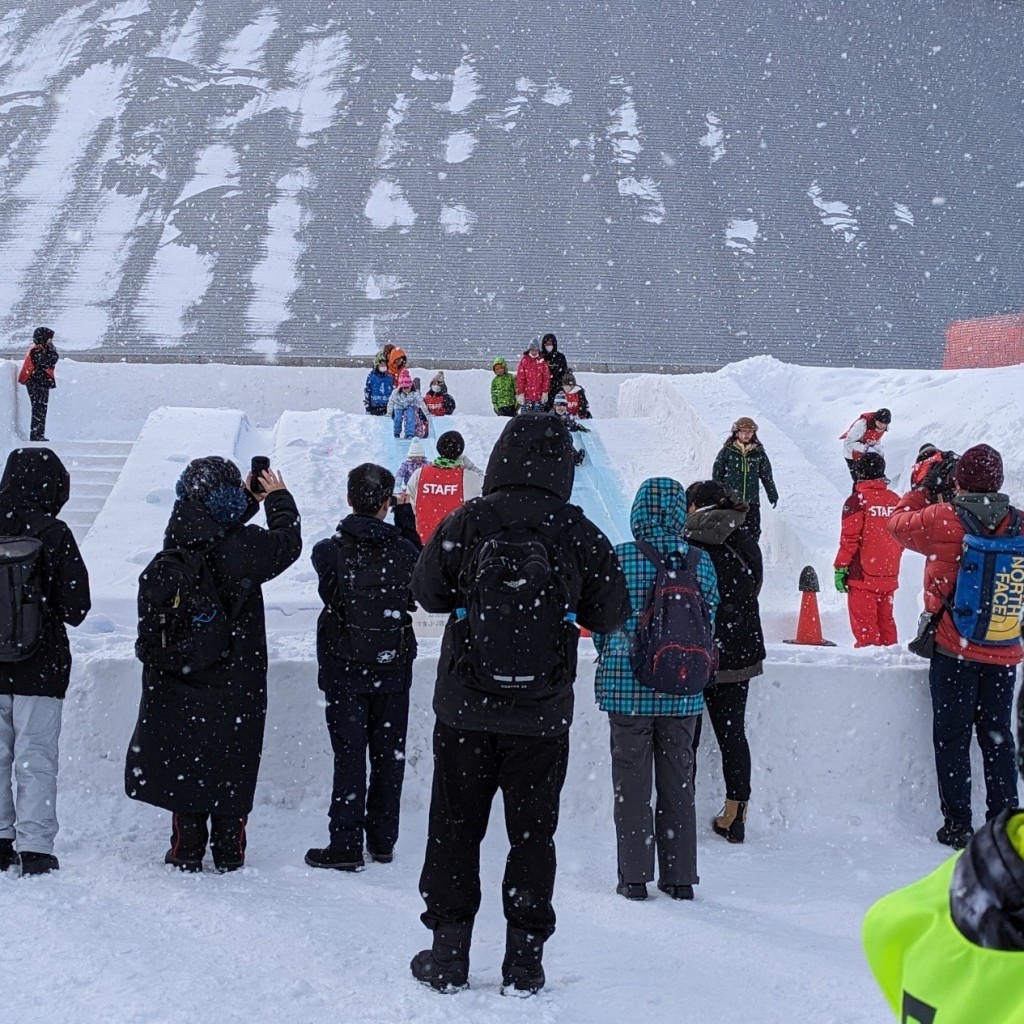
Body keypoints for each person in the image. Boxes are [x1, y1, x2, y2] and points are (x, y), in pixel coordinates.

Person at [409, 413, 629, 995]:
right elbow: (610, 614)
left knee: (454, 828)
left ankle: (449, 954)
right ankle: (525, 962)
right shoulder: (576, 529)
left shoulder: (472, 519)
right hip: (542, 714)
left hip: (464, 708)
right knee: (533, 837)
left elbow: (425, 592)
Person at [124, 457, 302, 872]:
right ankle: (229, 849)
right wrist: (278, 499)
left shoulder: (179, 533)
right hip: (235, 672)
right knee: (232, 759)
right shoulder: (245, 549)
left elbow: (213, 522)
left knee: (188, 761)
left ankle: (185, 847)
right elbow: (286, 543)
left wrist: (245, 499)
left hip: (183, 670)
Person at [888, 444, 1021, 850]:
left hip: (953, 646)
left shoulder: (942, 519)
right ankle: (1006, 828)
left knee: (952, 737)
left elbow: (895, 524)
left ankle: (958, 826)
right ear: (998, 481)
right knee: (998, 737)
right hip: (1003, 646)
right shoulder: (1019, 523)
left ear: (959, 480)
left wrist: (924, 487)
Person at [593, 477, 718, 903]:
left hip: (628, 690)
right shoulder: (701, 561)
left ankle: (634, 877)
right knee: (679, 782)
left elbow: (602, 622)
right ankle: (680, 877)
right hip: (683, 690)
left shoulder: (621, 556)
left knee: (631, 784)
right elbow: (710, 622)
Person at [862, 708, 1024, 1022]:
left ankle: (958, 823)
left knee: (953, 737)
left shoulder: (914, 915)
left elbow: (880, 930)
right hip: (993, 662)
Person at [305, 464, 421, 871]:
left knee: (349, 756)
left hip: (344, 667)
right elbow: (420, 569)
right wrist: (406, 519)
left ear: (349, 499)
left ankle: (346, 842)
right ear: (387, 504)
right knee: (389, 756)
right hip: (392, 667)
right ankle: (383, 840)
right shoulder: (405, 552)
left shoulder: (328, 552)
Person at [0, 447, 90, 875]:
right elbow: (77, 606)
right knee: (35, 754)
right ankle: (34, 847)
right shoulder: (54, 533)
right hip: (42, 664)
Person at [684, 480, 764, 845]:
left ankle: (679, 809)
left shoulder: (688, 537)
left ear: (695, 505)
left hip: (697, 648)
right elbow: (755, 586)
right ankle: (736, 815)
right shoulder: (745, 539)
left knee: (687, 736)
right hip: (740, 648)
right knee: (732, 735)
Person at [832, 452, 902, 648]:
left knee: (866, 631)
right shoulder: (896, 500)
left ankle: (870, 671)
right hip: (888, 574)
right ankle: (893, 667)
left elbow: (849, 539)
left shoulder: (857, 501)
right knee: (886, 624)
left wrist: (841, 567)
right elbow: (902, 537)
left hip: (862, 575)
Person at [407, 430, 482, 544]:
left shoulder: (420, 474)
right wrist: (465, 461)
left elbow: (410, 501)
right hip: (454, 544)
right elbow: (484, 481)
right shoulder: (466, 478)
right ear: (460, 451)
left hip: (424, 542)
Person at [711, 416, 778, 541]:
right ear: (737, 433)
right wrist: (719, 495)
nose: (747, 435)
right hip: (731, 501)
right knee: (730, 530)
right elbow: (717, 474)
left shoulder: (758, 453)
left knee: (753, 532)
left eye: (750, 432)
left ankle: (749, 557)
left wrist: (772, 494)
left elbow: (766, 475)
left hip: (751, 500)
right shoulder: (727, 451)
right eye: (744, 431)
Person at [19, 327, 59, 442]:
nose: (51, 341)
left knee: (41, 409)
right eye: (49, 339)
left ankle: (39, 434)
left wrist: (51, 351)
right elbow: (47, 362)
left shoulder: (42, 349)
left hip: (41, 383)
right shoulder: (36, 351)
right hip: (36, 383)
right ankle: (36, 435)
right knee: (38, 409)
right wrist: (52, 351)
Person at [841, 407, 891, 481]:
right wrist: (865, 448)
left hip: (865, 455)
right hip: (851, 454)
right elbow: (848, 442)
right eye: (880, 423)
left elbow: (875, 439)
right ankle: (857, 491)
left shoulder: (882, 427)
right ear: (875, 419)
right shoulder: (861, 424)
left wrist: (877, 450)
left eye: (885, 424)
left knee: (871, 477)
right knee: (858, 479)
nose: (882, 426)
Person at [387, 369, 427, 439]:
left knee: (410, 416)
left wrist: (426, 413)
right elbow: (391, 403)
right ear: (401, 387)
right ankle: (396, 432)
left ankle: (409, 433)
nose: (406, 389)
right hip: (399, 405)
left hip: (410, 405)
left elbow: (421, 402)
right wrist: (389, 414)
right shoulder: (396, 393)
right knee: (397, 418)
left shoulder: (414, 393)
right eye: (404, 388)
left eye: (408, 387)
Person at [515, 338, 550, 413]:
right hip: (527, 398)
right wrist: (521, 393)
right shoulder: (524, 361)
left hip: (539, 397)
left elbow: (546, 378)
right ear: (529, 350)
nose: (534, 352)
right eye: (532, 350)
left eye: (536, 350)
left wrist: (545, 392)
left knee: (538, 419)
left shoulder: (542, 362)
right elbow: (520, 379)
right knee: (525, 419)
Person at [552, 393, 587, 465]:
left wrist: (577, 427)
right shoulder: (550, 416)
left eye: (563, 405)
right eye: (559, 405)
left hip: (564, 440)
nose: (561, 408)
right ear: (554, 406)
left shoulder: (567, 417)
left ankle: (574, 457)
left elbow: (572, 426)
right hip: (552, 439)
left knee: (567, 440)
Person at [540, 332, 567, 408]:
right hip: (542, 389)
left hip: (557, 389)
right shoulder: (540, 356)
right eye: (547, 344)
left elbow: (564, 373)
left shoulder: (560, 357)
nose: (549, 346)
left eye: (550, 343)